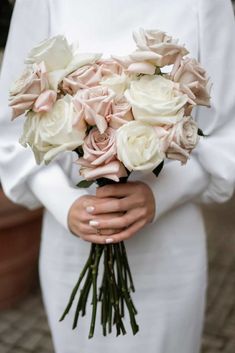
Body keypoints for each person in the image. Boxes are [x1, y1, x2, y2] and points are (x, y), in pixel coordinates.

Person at [0, 0, 235, 352]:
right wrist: (67, 203)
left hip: (168, 246)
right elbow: (11, 130)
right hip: (72, 242)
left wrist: (162, 195)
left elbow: (225, 138)